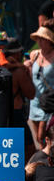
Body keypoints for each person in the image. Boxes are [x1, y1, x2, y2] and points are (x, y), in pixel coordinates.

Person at [28, 20, 54, 148]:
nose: (39, 42)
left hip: (48, 102)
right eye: (38, 39)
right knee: (39, 140)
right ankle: (46, 160)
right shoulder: (35, 54)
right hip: (34, 101)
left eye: (43, 39)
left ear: (50, 40)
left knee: (42, 135)